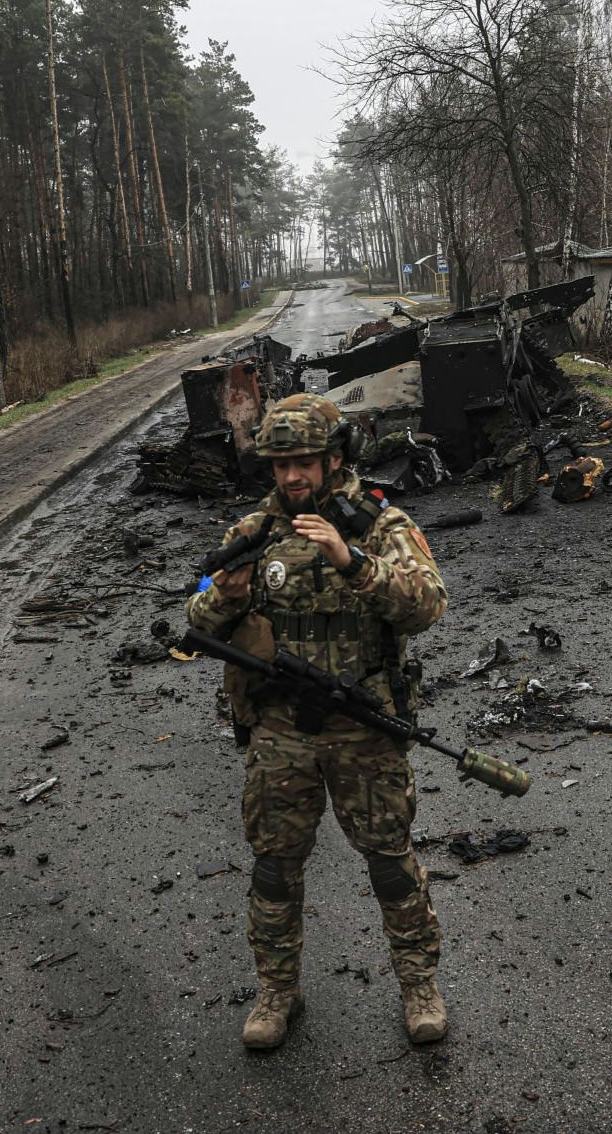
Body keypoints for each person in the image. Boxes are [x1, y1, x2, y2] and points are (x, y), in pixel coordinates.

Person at [186, 393, 450, 1051]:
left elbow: (427, 605)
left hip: (363, 723)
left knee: (389, 862)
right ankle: (278, 992)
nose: (291, 477)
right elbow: (193, 623)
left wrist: (351, 561)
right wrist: (224, 598)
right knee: (275, 867)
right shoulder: (249, 535)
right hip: (281, 731)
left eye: (303, 462)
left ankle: (419, 984)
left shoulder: (379, 525)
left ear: (335, 459)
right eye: (280, 465)